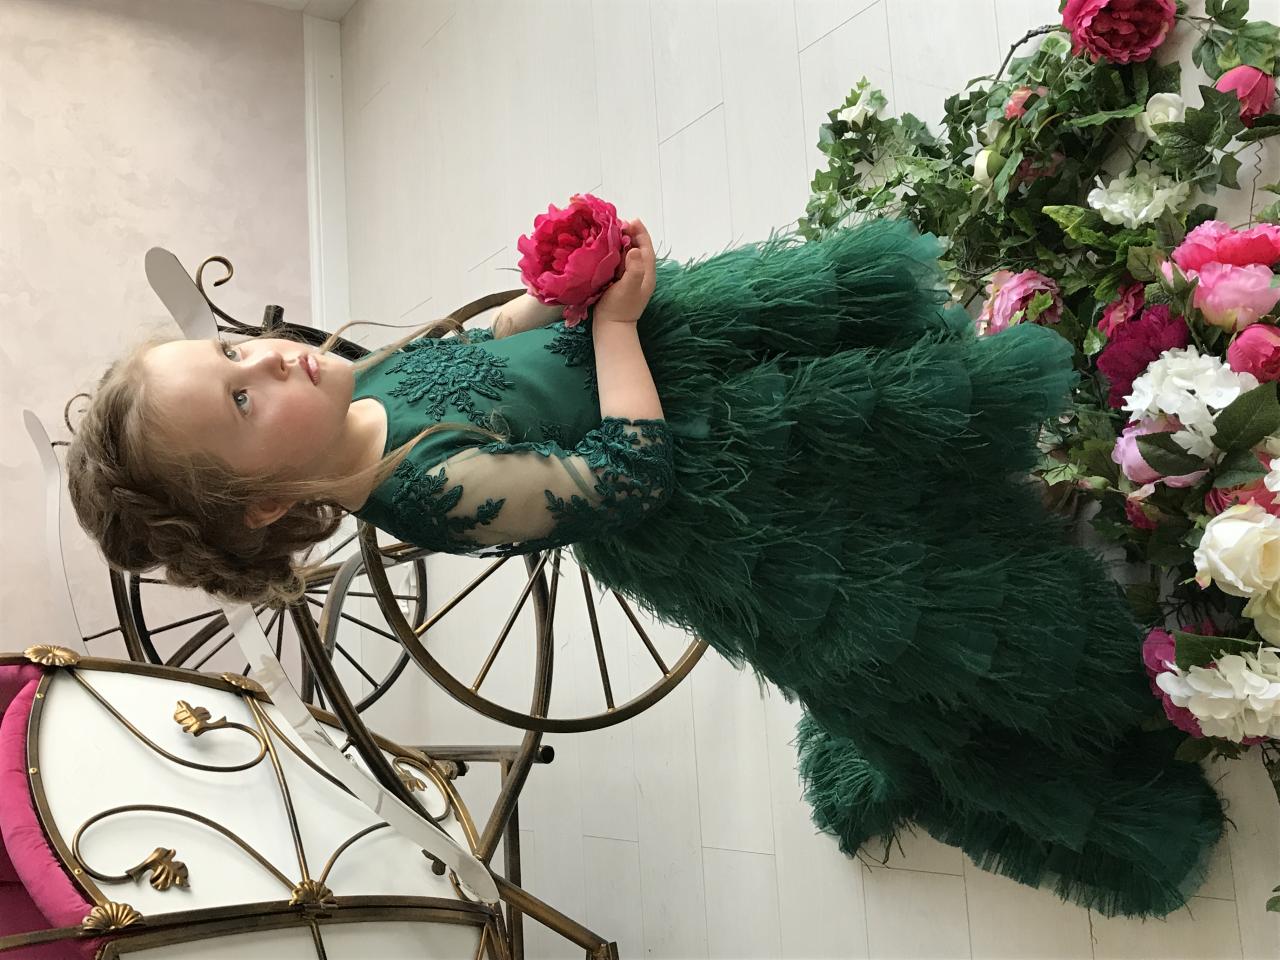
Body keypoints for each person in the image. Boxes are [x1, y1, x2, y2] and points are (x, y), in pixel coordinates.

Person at [66, 216, 1224, 919]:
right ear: (268, 502)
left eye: (235, 349)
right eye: (239, 399)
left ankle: (1065, 400)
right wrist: (611, 330)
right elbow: (622, 480)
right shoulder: (427, 490)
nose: (270, 360)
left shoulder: (353, 386)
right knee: (900, 557)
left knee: (862, 370)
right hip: (701, 484)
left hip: (678, 361)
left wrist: (557, 295)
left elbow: (481, 347)